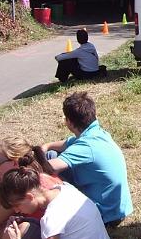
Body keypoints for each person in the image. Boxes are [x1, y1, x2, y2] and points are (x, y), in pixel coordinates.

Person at [42, 91, 133, 227]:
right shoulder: (97, 133)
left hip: (104, 215)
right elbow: (66, 143)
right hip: (117, 209)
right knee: (52, 154)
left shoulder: (86, 146)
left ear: (69, 123)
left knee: (44, 172)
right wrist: (46, 146)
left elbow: (49, 167)